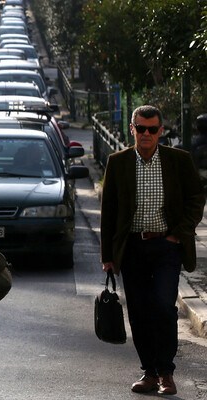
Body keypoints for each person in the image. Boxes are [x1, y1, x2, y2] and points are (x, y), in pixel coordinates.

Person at [100, 105, 205, 396]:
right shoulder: (118, 162)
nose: (146, 134)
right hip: (131, 247)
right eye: (141, 128)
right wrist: (107, 256)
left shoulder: (178, 160)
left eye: (152, 129)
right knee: (138, 311)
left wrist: (179, 234)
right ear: (132, 129)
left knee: (162, 306)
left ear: (160, 131)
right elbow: (108, 211)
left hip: (166, 246)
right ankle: (149, 372)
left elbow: (197, 197)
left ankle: (166, 373)